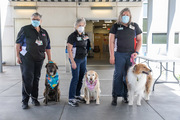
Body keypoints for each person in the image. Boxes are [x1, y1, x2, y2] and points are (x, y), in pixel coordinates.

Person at [15, 12, 51, 109]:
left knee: (36, 78)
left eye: (37, 19)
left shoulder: (44, 32)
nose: (35, 21)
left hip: (39, 58)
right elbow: (18, 43)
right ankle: (25, 101)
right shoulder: (25, 29)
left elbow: (48, 47)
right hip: (27, 58)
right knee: (28, 79)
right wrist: (17, 56)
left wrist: (50, 59)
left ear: (41, 20)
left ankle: (34, 98)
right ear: (31, 20)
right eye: (33, 19)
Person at [109, 8, 142, 106]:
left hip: (131, 55)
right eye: (123, 14)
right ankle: (115, 96)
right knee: (118, 75)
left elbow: (140, 40)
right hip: (119, 54)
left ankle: (125, 96)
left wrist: (137, 52)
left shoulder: (135, 26)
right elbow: (111, 41)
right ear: (120, 16)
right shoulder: (115, 26)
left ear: (130, 16)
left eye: (127, 15)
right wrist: (111, 55)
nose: (125, 16)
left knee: (128, 76)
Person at [67, 18, 87, 107]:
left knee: (81, 77)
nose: (81, 27)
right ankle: (71, 98)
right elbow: (69, 49)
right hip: (75, 59)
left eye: (83, 25)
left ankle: (77, 94)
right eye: (79, 25)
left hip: (83, 59)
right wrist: (72, 61)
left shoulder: (84, 35)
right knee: (75, 78)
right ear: (75, 26)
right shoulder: (72, 36)